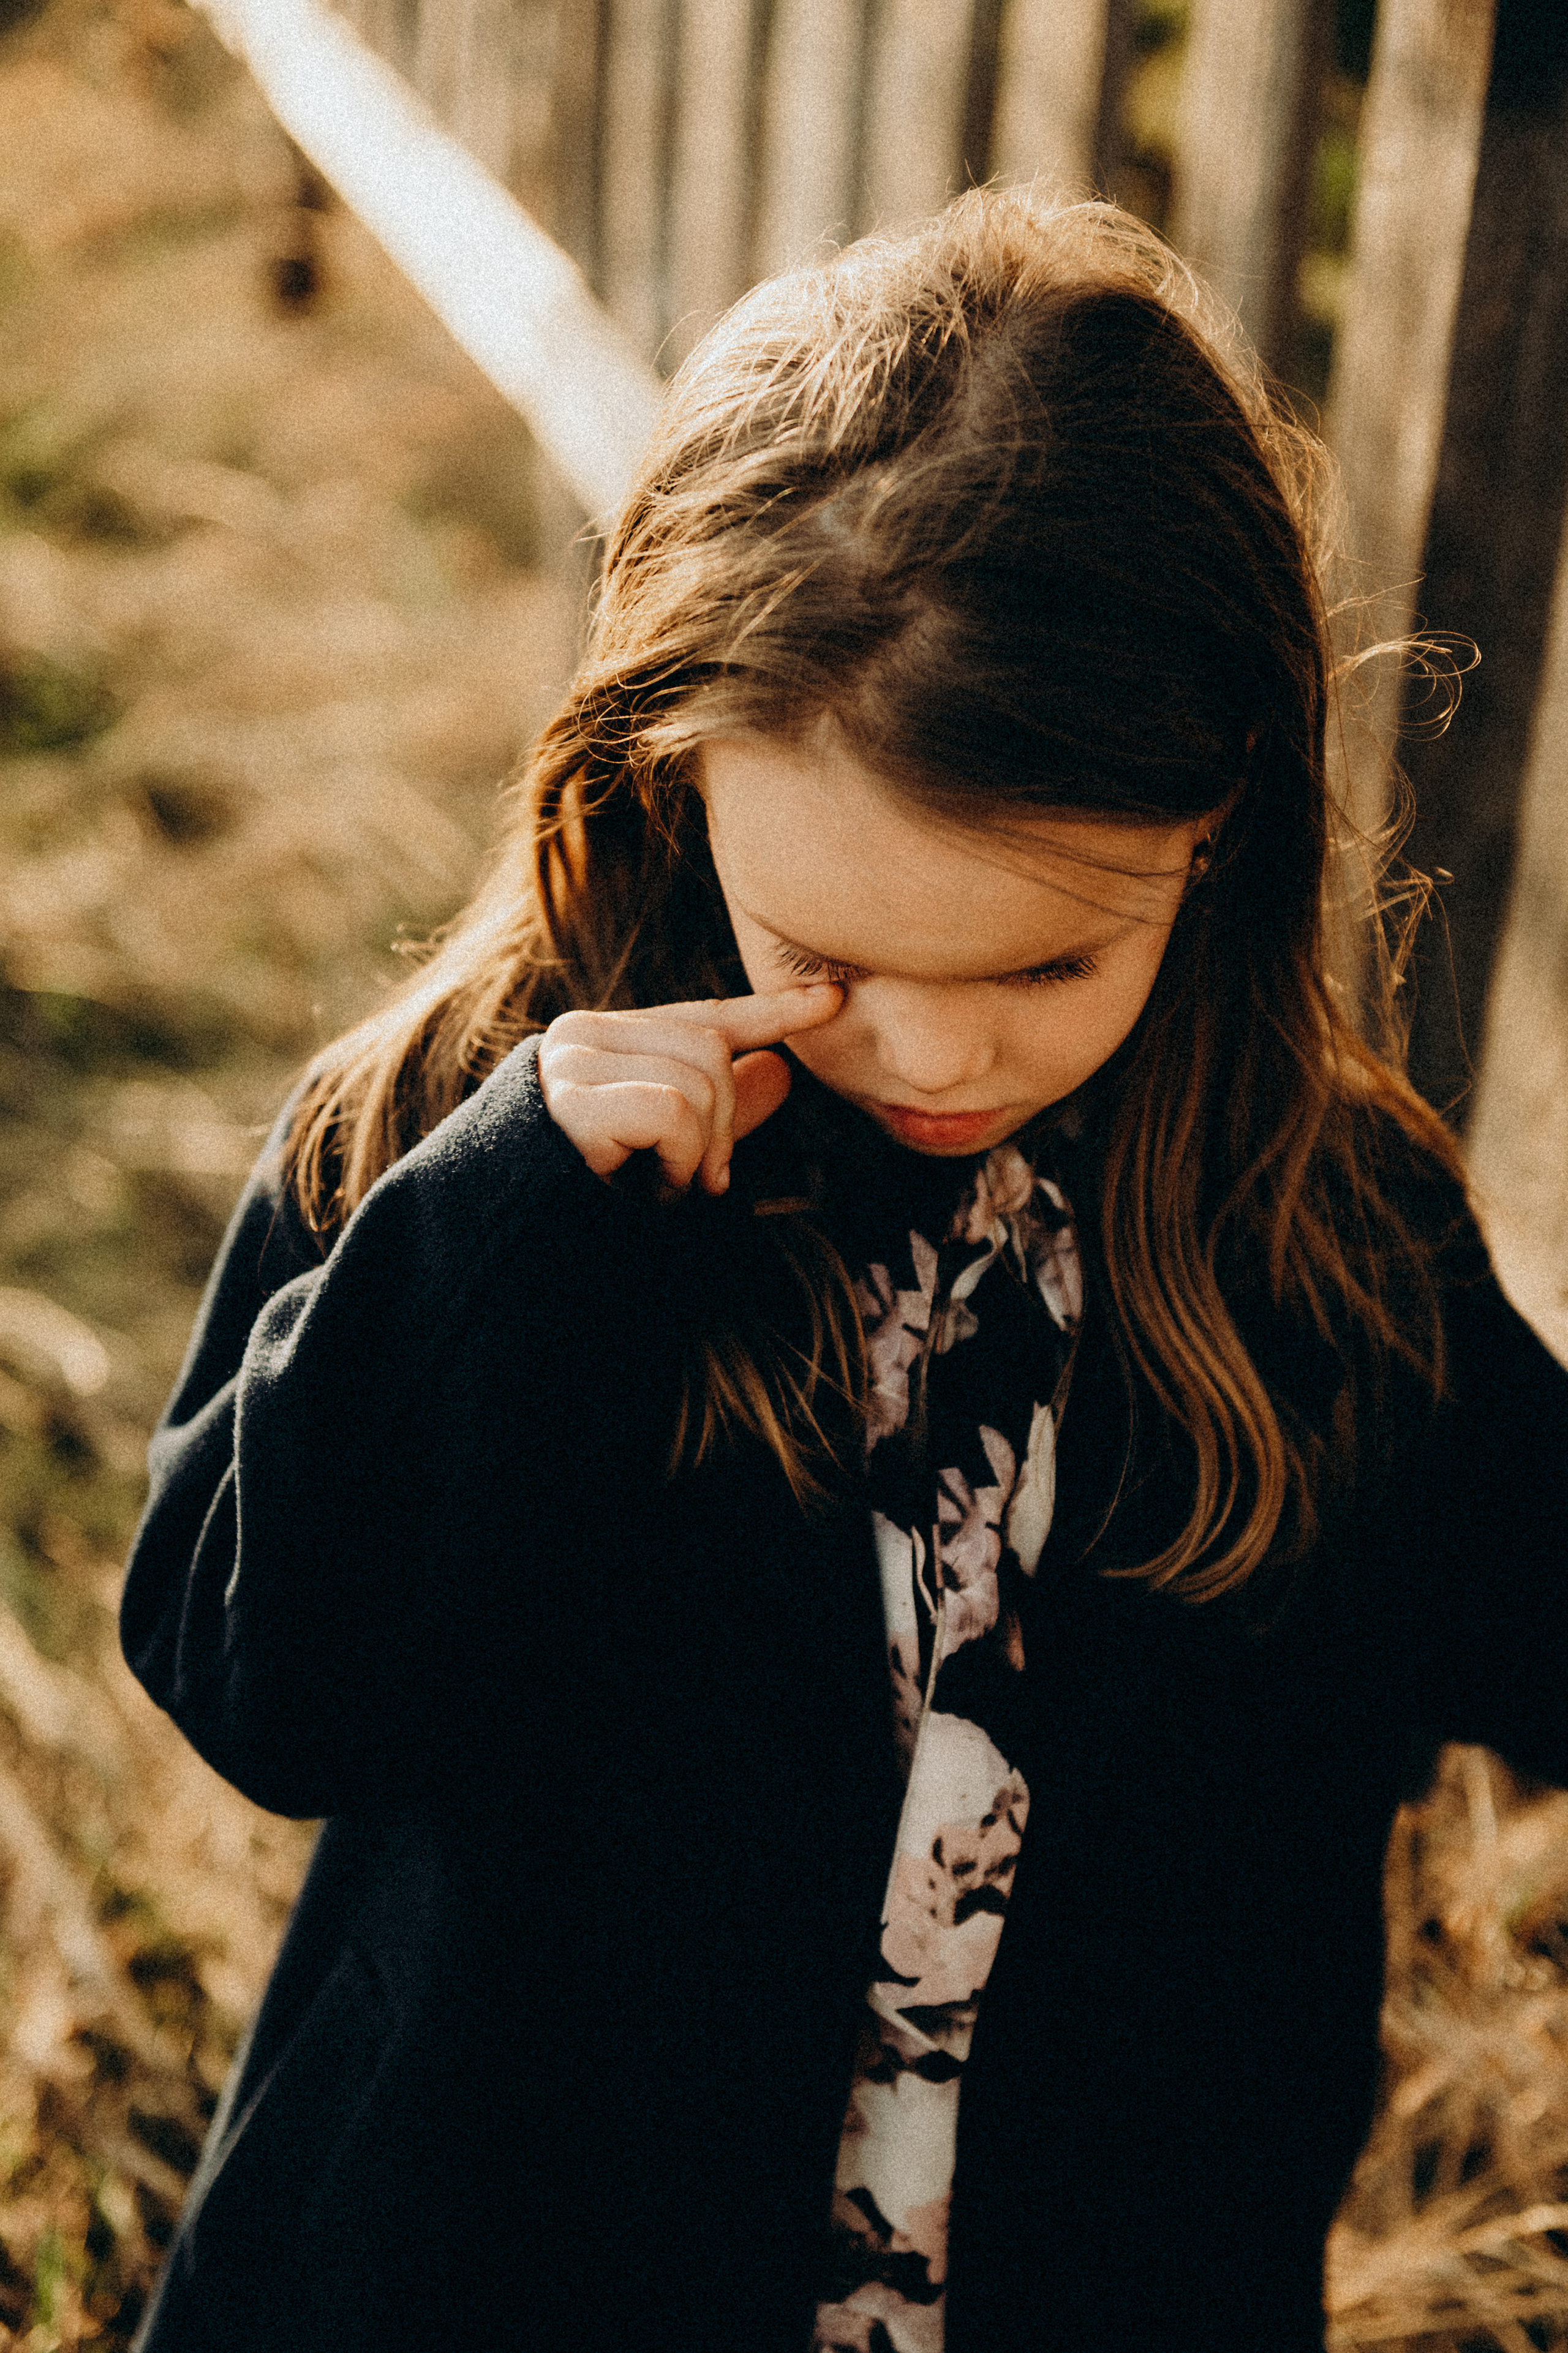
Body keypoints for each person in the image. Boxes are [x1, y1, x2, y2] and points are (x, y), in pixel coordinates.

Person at [120, 189, 1568, 2353]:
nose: (940, 1047)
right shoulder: (471, 1135)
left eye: (1056, 958)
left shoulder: (1319, 1236)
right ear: (665, 771)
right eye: (833, 961)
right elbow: (262, 1673)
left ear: (1225, 820)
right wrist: (504, 1220)